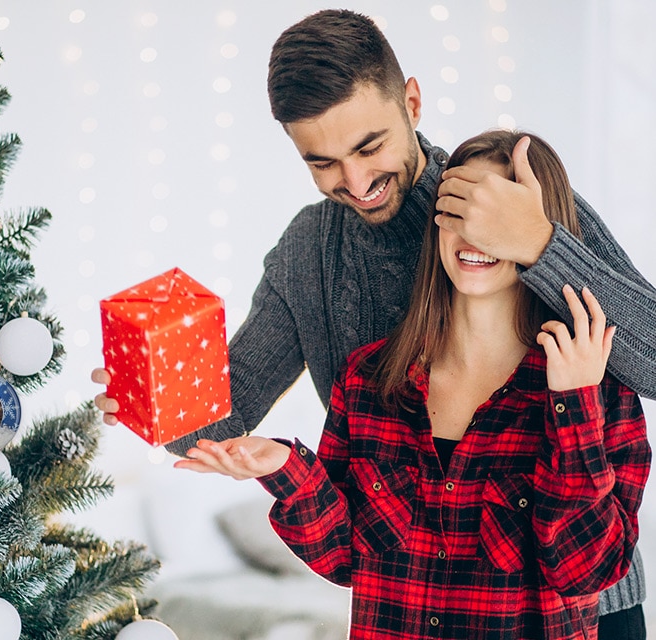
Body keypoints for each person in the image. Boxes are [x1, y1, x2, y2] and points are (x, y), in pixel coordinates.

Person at [91, 8, 656, 634]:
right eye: (322, 162)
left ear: (411, 102)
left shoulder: (511, 194)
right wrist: (155, 395)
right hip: (420, 601)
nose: (356, 182)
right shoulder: (309, 254)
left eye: (369, 146)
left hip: (579, 603)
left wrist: (541, 243)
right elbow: (228, 416)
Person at [175, 130, 651, 639]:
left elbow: (585, 570)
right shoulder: (368, 380)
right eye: (457, 211)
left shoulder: (593, 389)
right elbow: (346, 556)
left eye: (493, 218)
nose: (473, 234)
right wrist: (284, 469)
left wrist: (574, 406)